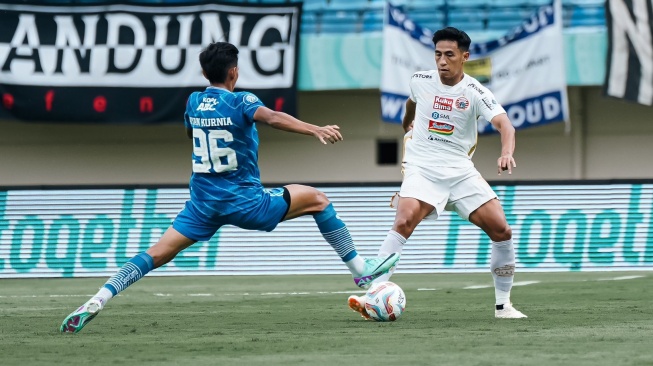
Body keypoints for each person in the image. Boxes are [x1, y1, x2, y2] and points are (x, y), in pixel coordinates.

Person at [60, 42, 399, 333]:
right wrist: (315, 129)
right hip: (244, 201)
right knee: (318, 200)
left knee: (156, 254)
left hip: (203, 203)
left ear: (205, 72)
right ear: (234, 72)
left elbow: (192, 139)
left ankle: (97, 299)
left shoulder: (193, 103)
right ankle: (360, 271)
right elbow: (274, 118)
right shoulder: (242, 101)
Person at [348, 27, 527, 320]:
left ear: (464, 57)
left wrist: (507, 152)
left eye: (449, 55)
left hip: (459, 170)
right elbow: (411, 103)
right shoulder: (420, 80)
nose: (442, 61)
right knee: (404, 220)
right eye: (438, 54)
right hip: (422, 167)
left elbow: (505, 125)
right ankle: (372, 295)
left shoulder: (475, 92)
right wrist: (407, 123)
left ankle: (503, 306)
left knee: (502, 230)